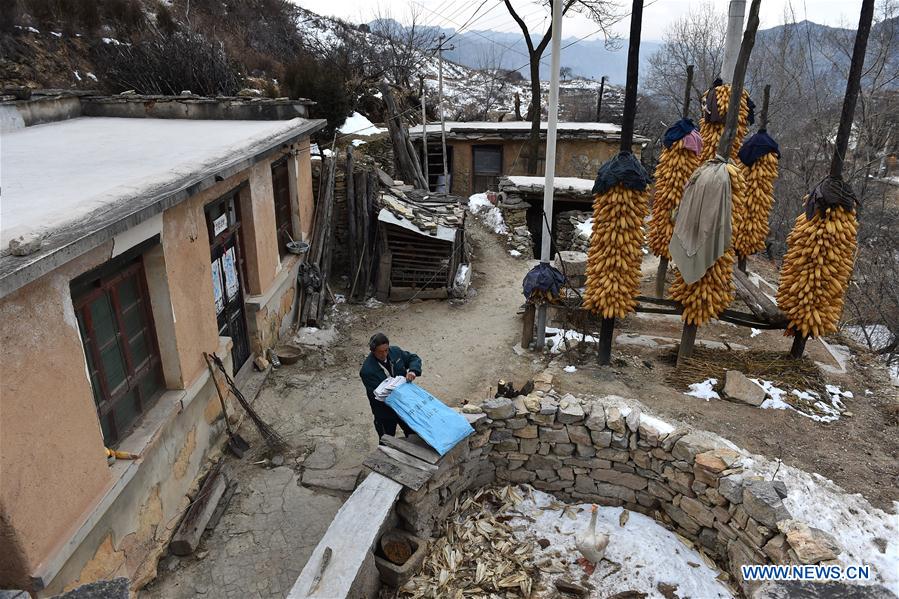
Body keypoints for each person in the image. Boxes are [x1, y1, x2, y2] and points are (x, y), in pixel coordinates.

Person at [359, 333, 422, 438]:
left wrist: (413, 371)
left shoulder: (395, 352)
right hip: (385, 412)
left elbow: (414, 358)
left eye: (386, 350)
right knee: (387, 440)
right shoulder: (367, 371)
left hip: (404, 406)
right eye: (380, 352)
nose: (384, 354)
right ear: (373, 351)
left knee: (413, 434)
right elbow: (377, 395)